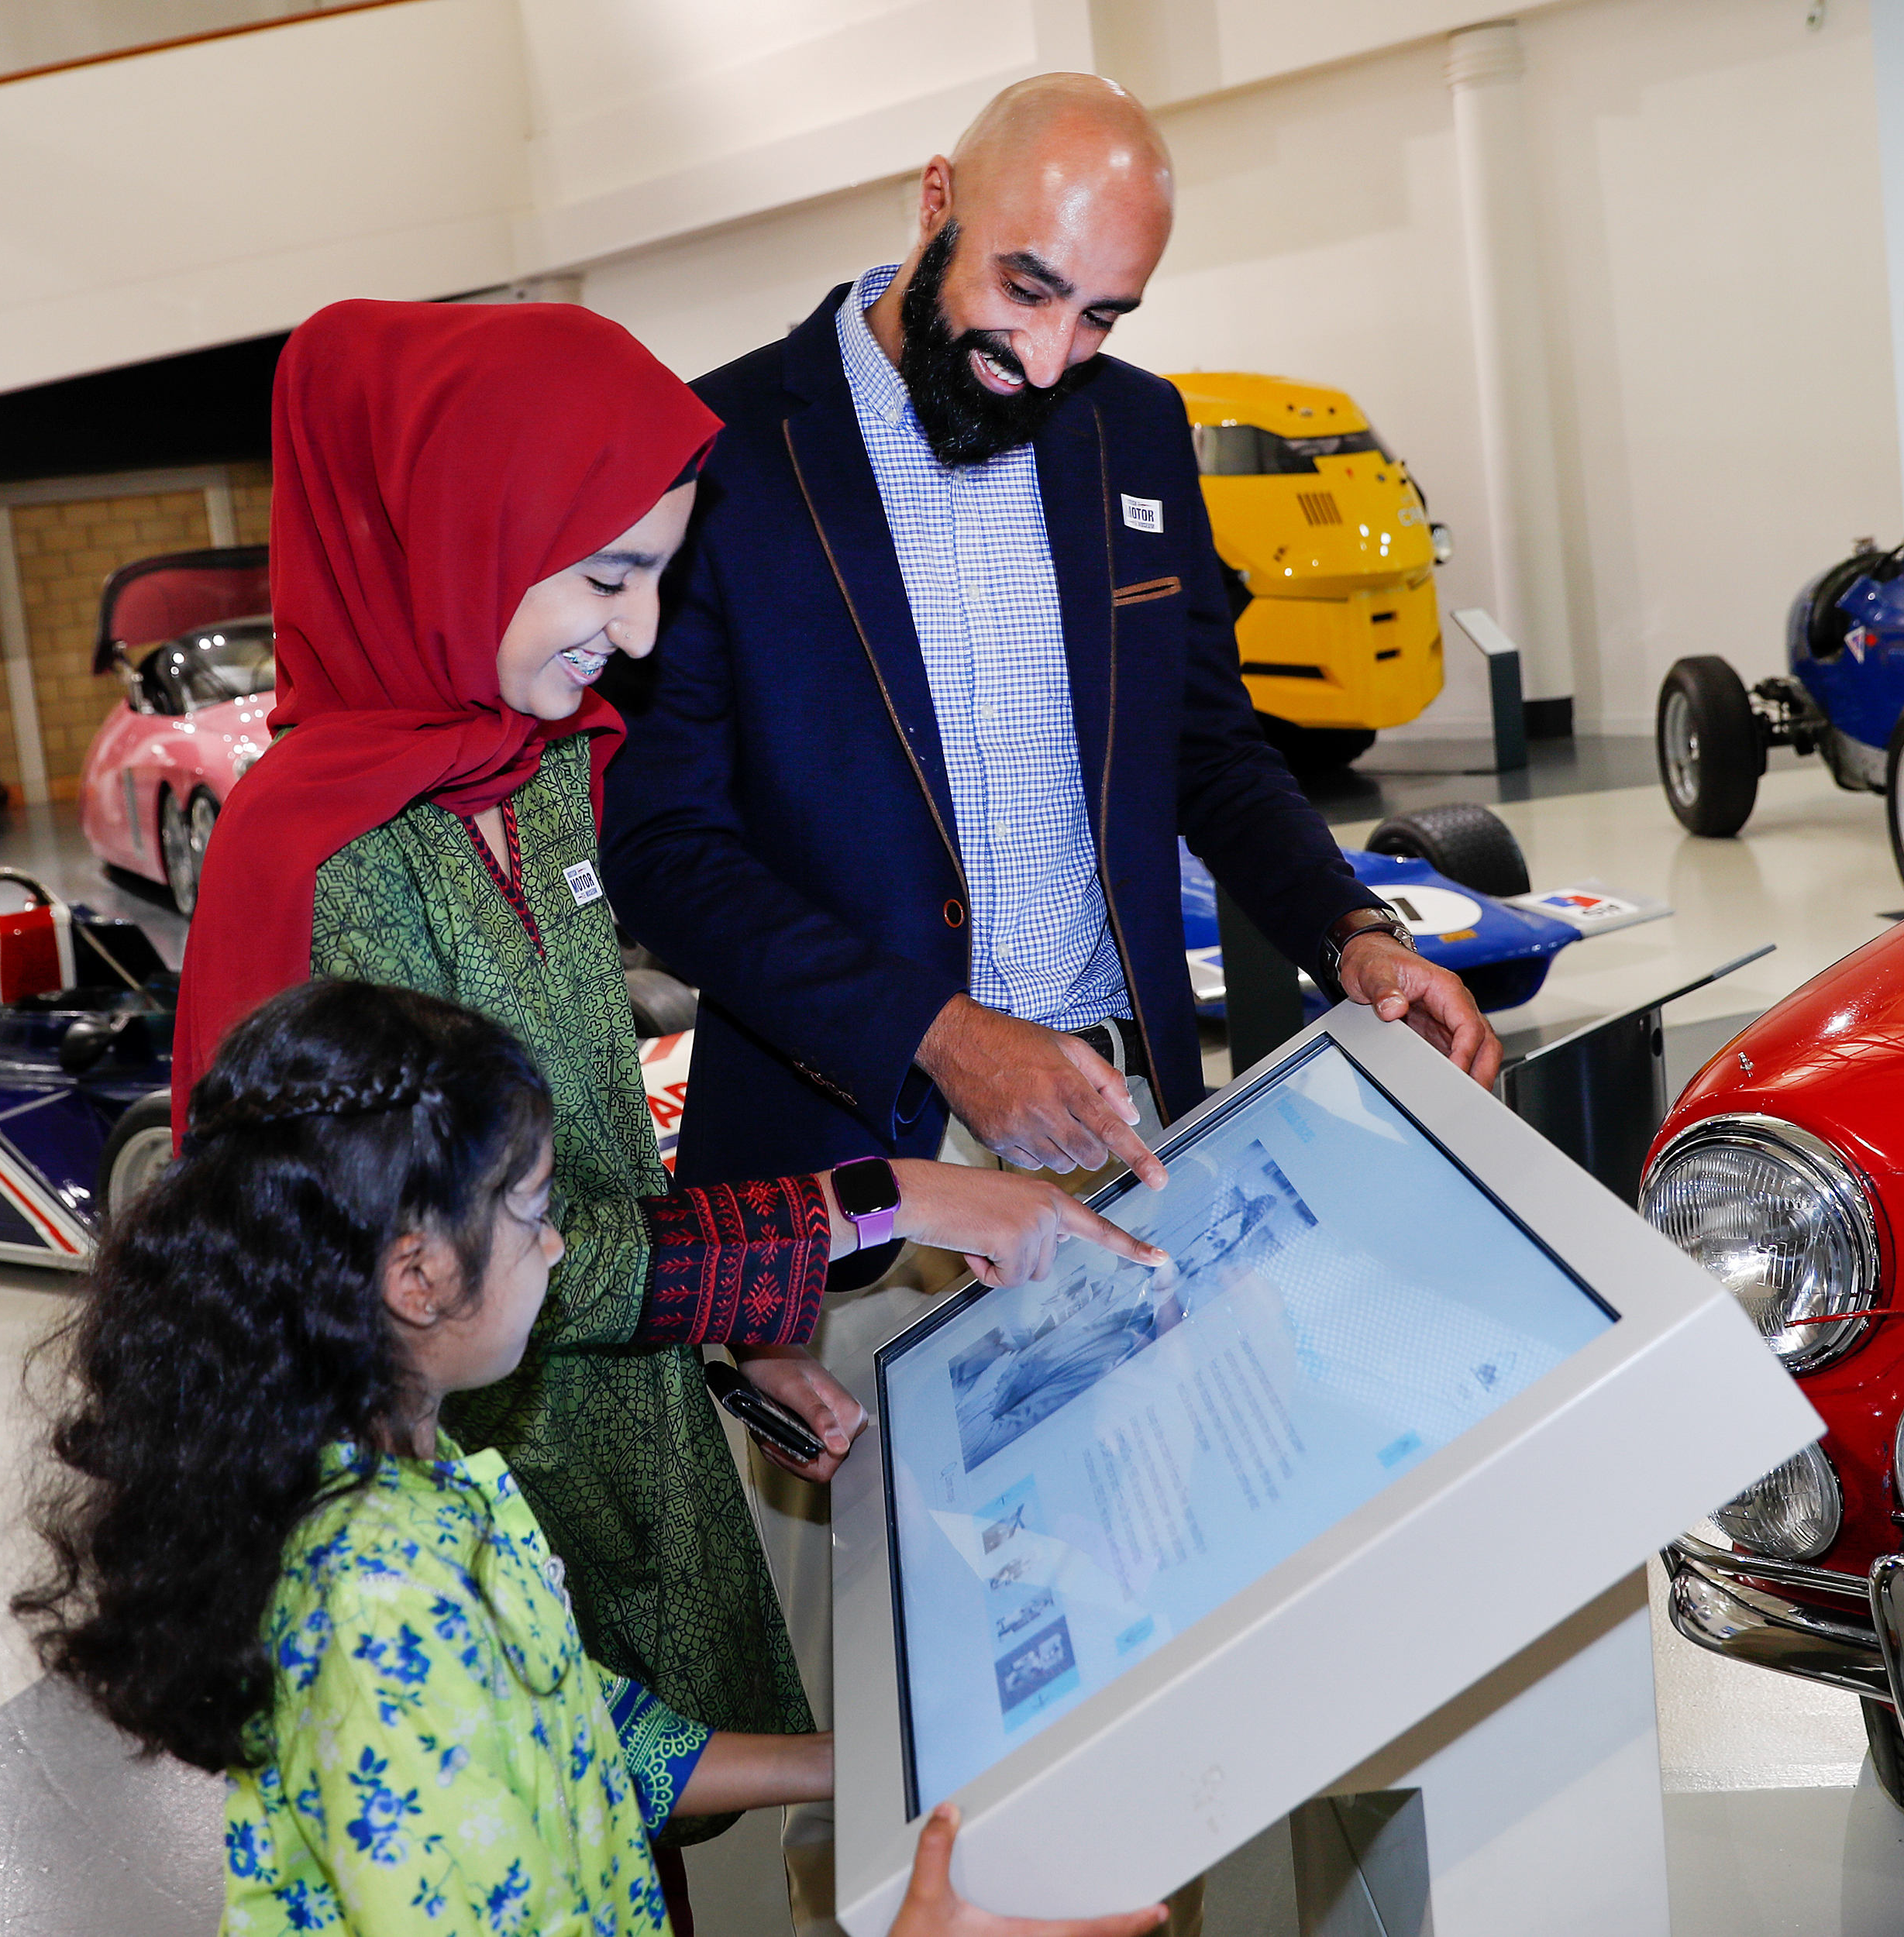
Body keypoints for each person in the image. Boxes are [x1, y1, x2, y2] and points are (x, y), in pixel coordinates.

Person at [599, 74, 1504, 1935]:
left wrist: (1350, 928)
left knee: (1142, 1664)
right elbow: (670, 845)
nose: (1046, 354)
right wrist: (938, 1029)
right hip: (856, 1165)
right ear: (933, 198)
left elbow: (1203, 744)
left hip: (1114, 1143)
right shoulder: (726, 448)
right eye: (1022, 292)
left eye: (1100, 317)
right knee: (904, 1725)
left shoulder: (1135, 433)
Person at [167, 299, 1162, 1919]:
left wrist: (729, 1315)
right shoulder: (330, 864)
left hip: (590, 1466)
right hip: (479, 1477)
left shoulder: (531, 766)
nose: (632, 638)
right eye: (604, 579)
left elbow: (582, 1167)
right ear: (462, 539)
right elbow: (434, 1250)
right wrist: (889, 1194)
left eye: (656, 579)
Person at [19, 978, 1171, 1937]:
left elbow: (585, 1731)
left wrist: (865, 1757)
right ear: (416, 1277)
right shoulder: (385, 1612)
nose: (560, 1241)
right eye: (530, 1211)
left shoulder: (425, 1484)